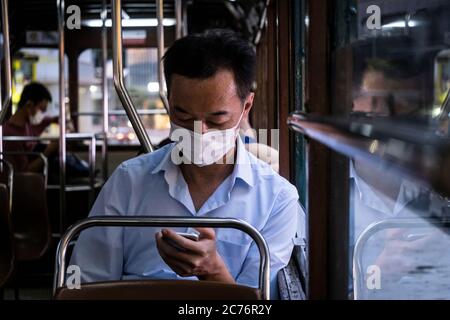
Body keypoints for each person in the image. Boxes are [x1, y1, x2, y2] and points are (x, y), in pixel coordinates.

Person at [70, 29, 305, 299]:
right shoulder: (128, 181)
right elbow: (87, 284)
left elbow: (257, 303)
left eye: (216, 119)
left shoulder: (277, 200)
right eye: (182, 116)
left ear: (246, 107)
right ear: (169, 103)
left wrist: (213, 272)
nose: (199, 132)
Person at [3, 82, 58, 173]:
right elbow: (25, 170)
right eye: (41, 110)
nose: (42, 115)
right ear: (29, 105)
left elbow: (45, 121)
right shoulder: (11, 135)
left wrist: (56, 119)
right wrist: (48, 151)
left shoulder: (27, 125)